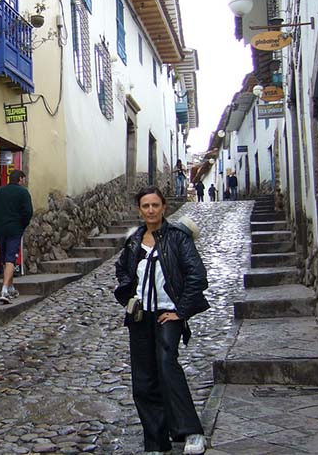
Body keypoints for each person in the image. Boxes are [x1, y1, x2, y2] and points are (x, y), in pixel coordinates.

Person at [114, 186, 210, 455]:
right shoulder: (134, 241)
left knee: (167, 366)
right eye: (145, 206)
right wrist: (129, 295)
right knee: (143, 379)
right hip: (141, 315)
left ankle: (190, 432)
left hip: (169, 313)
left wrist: (181, 311)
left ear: (164, 207)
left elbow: (197, 275)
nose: (151, 210)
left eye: (155, 205)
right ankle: (156, 441)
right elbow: (122, 269)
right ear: (139, 209)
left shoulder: (178, 238)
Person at [0, 169, 33, 304]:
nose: (24, 182)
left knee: (6, 259)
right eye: (24, 179)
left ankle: (11, 287)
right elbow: (28, 212)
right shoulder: (23, 193)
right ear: (20, 179)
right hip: (14, 229)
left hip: (0, 230)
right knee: (11, 258)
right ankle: (4, 290)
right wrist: (22, 225)